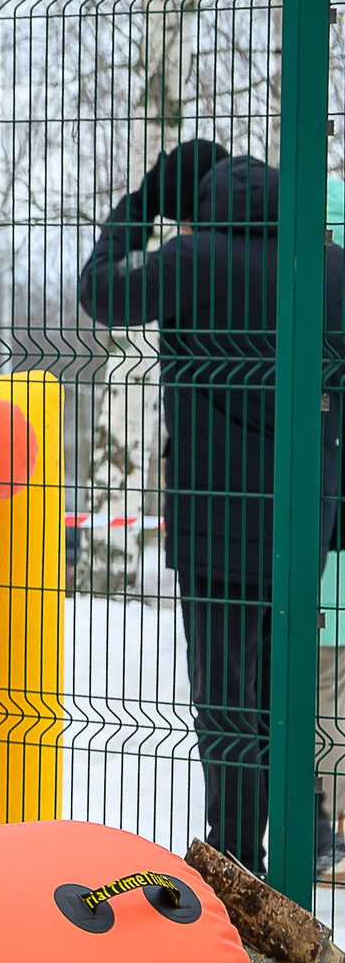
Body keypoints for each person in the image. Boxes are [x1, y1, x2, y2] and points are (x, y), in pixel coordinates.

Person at [77, 140, 345, 877]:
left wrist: (135, 211)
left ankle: (236, 859)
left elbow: (102, 293)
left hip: (215, 526)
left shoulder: (197, 259)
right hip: (302, 521)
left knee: (226, 702)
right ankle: (299, 849)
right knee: (283, 693)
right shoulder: (326, 267)